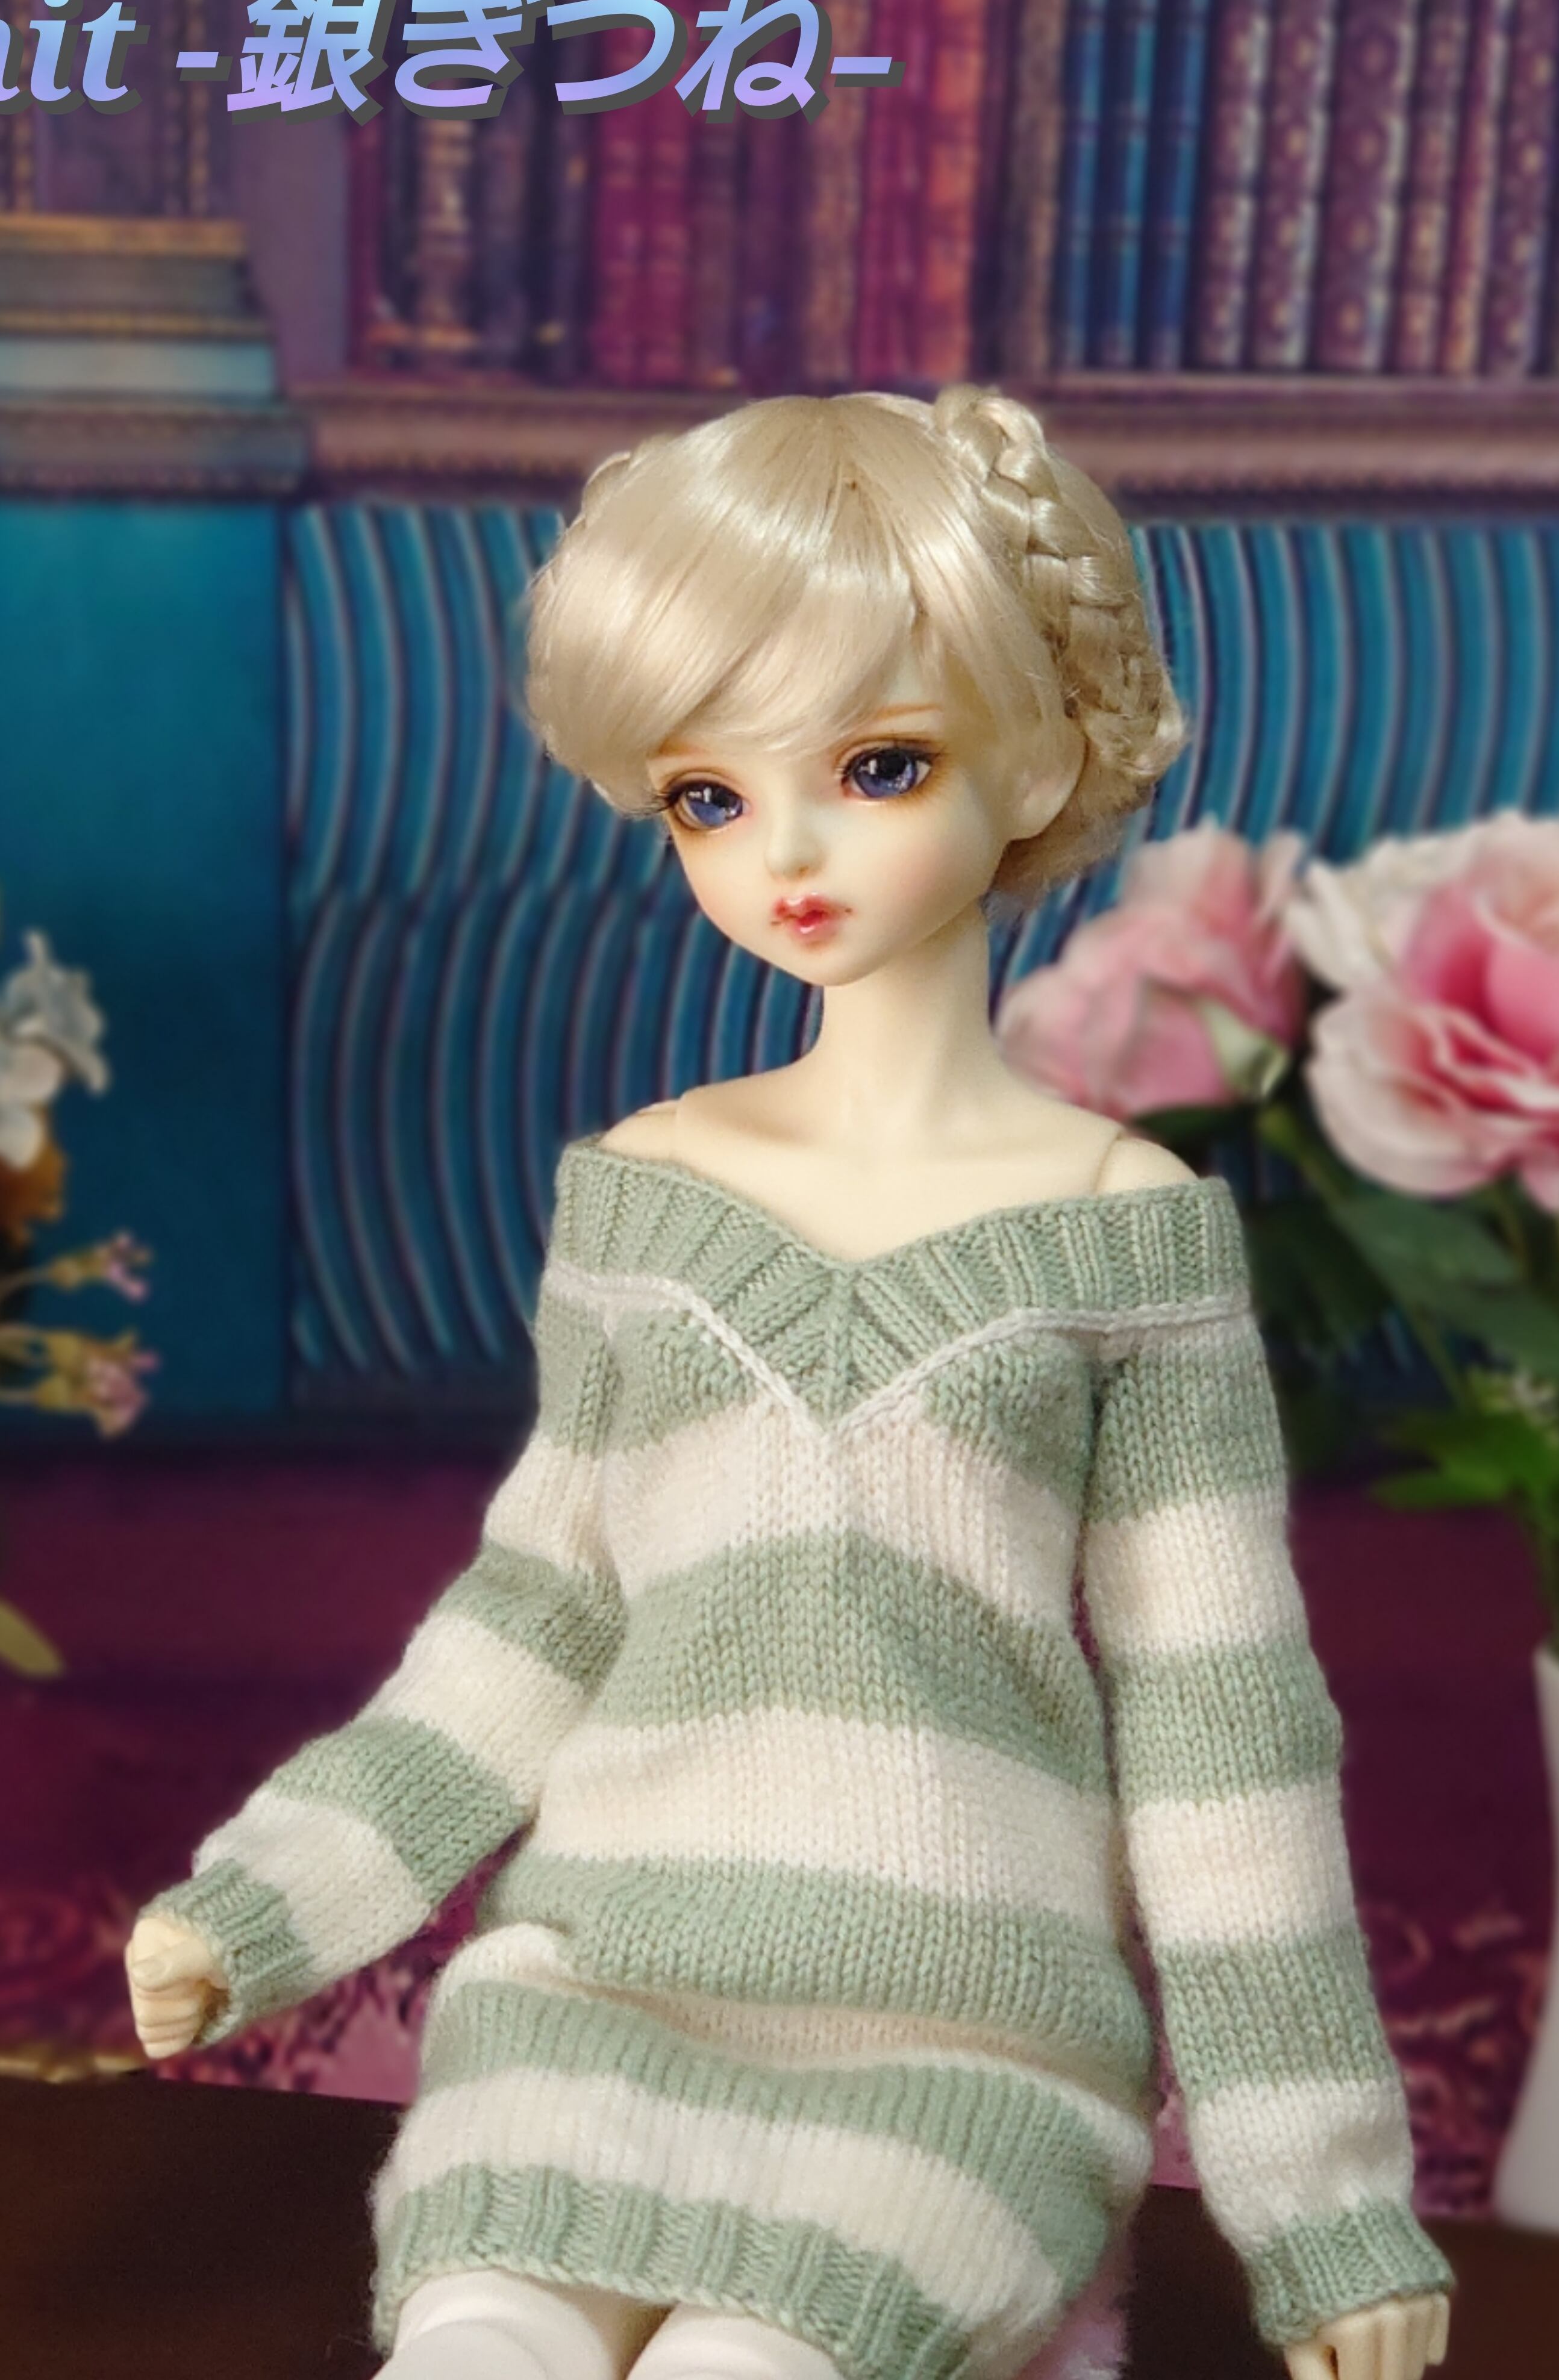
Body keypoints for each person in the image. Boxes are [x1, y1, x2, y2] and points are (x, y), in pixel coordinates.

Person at [126, 386, 1455, 2380]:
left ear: (1040, 758)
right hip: (602, 1986)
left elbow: (1222, 1732)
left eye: (879, 765)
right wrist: (266, 1904)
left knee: (760, 2364)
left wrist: (1325, 2212)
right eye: (709, 797)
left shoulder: (1125, 1234)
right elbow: (534, 1617)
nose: (789, 855)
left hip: (970, 2039)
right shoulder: (645, 1196)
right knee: (479, 2335)